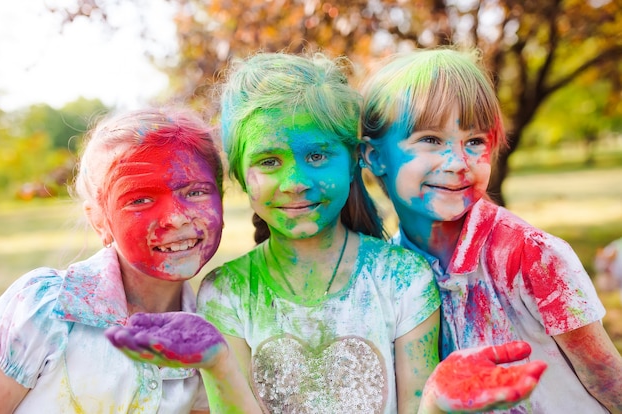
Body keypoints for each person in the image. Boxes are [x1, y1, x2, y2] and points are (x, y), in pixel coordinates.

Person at [107, 52, 546, 414]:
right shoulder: (227, 292)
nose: (295, 180)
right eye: (269, 161)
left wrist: (436, 404)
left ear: (354, 159)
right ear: (239, 175)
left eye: (317, 156)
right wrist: (218, 363)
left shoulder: (401, 278)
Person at [359, 47, 622, 413]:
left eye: (474, 142)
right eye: (431, 140)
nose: (458, 163)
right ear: (374, 157)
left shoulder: (531, 254)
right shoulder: (389, 273)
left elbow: (606, 377)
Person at [0, 107, 225, 413]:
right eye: (140, 199)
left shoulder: (213, 332)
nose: (176, 218)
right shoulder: (46, 309)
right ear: (99, 221)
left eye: (195, 192)